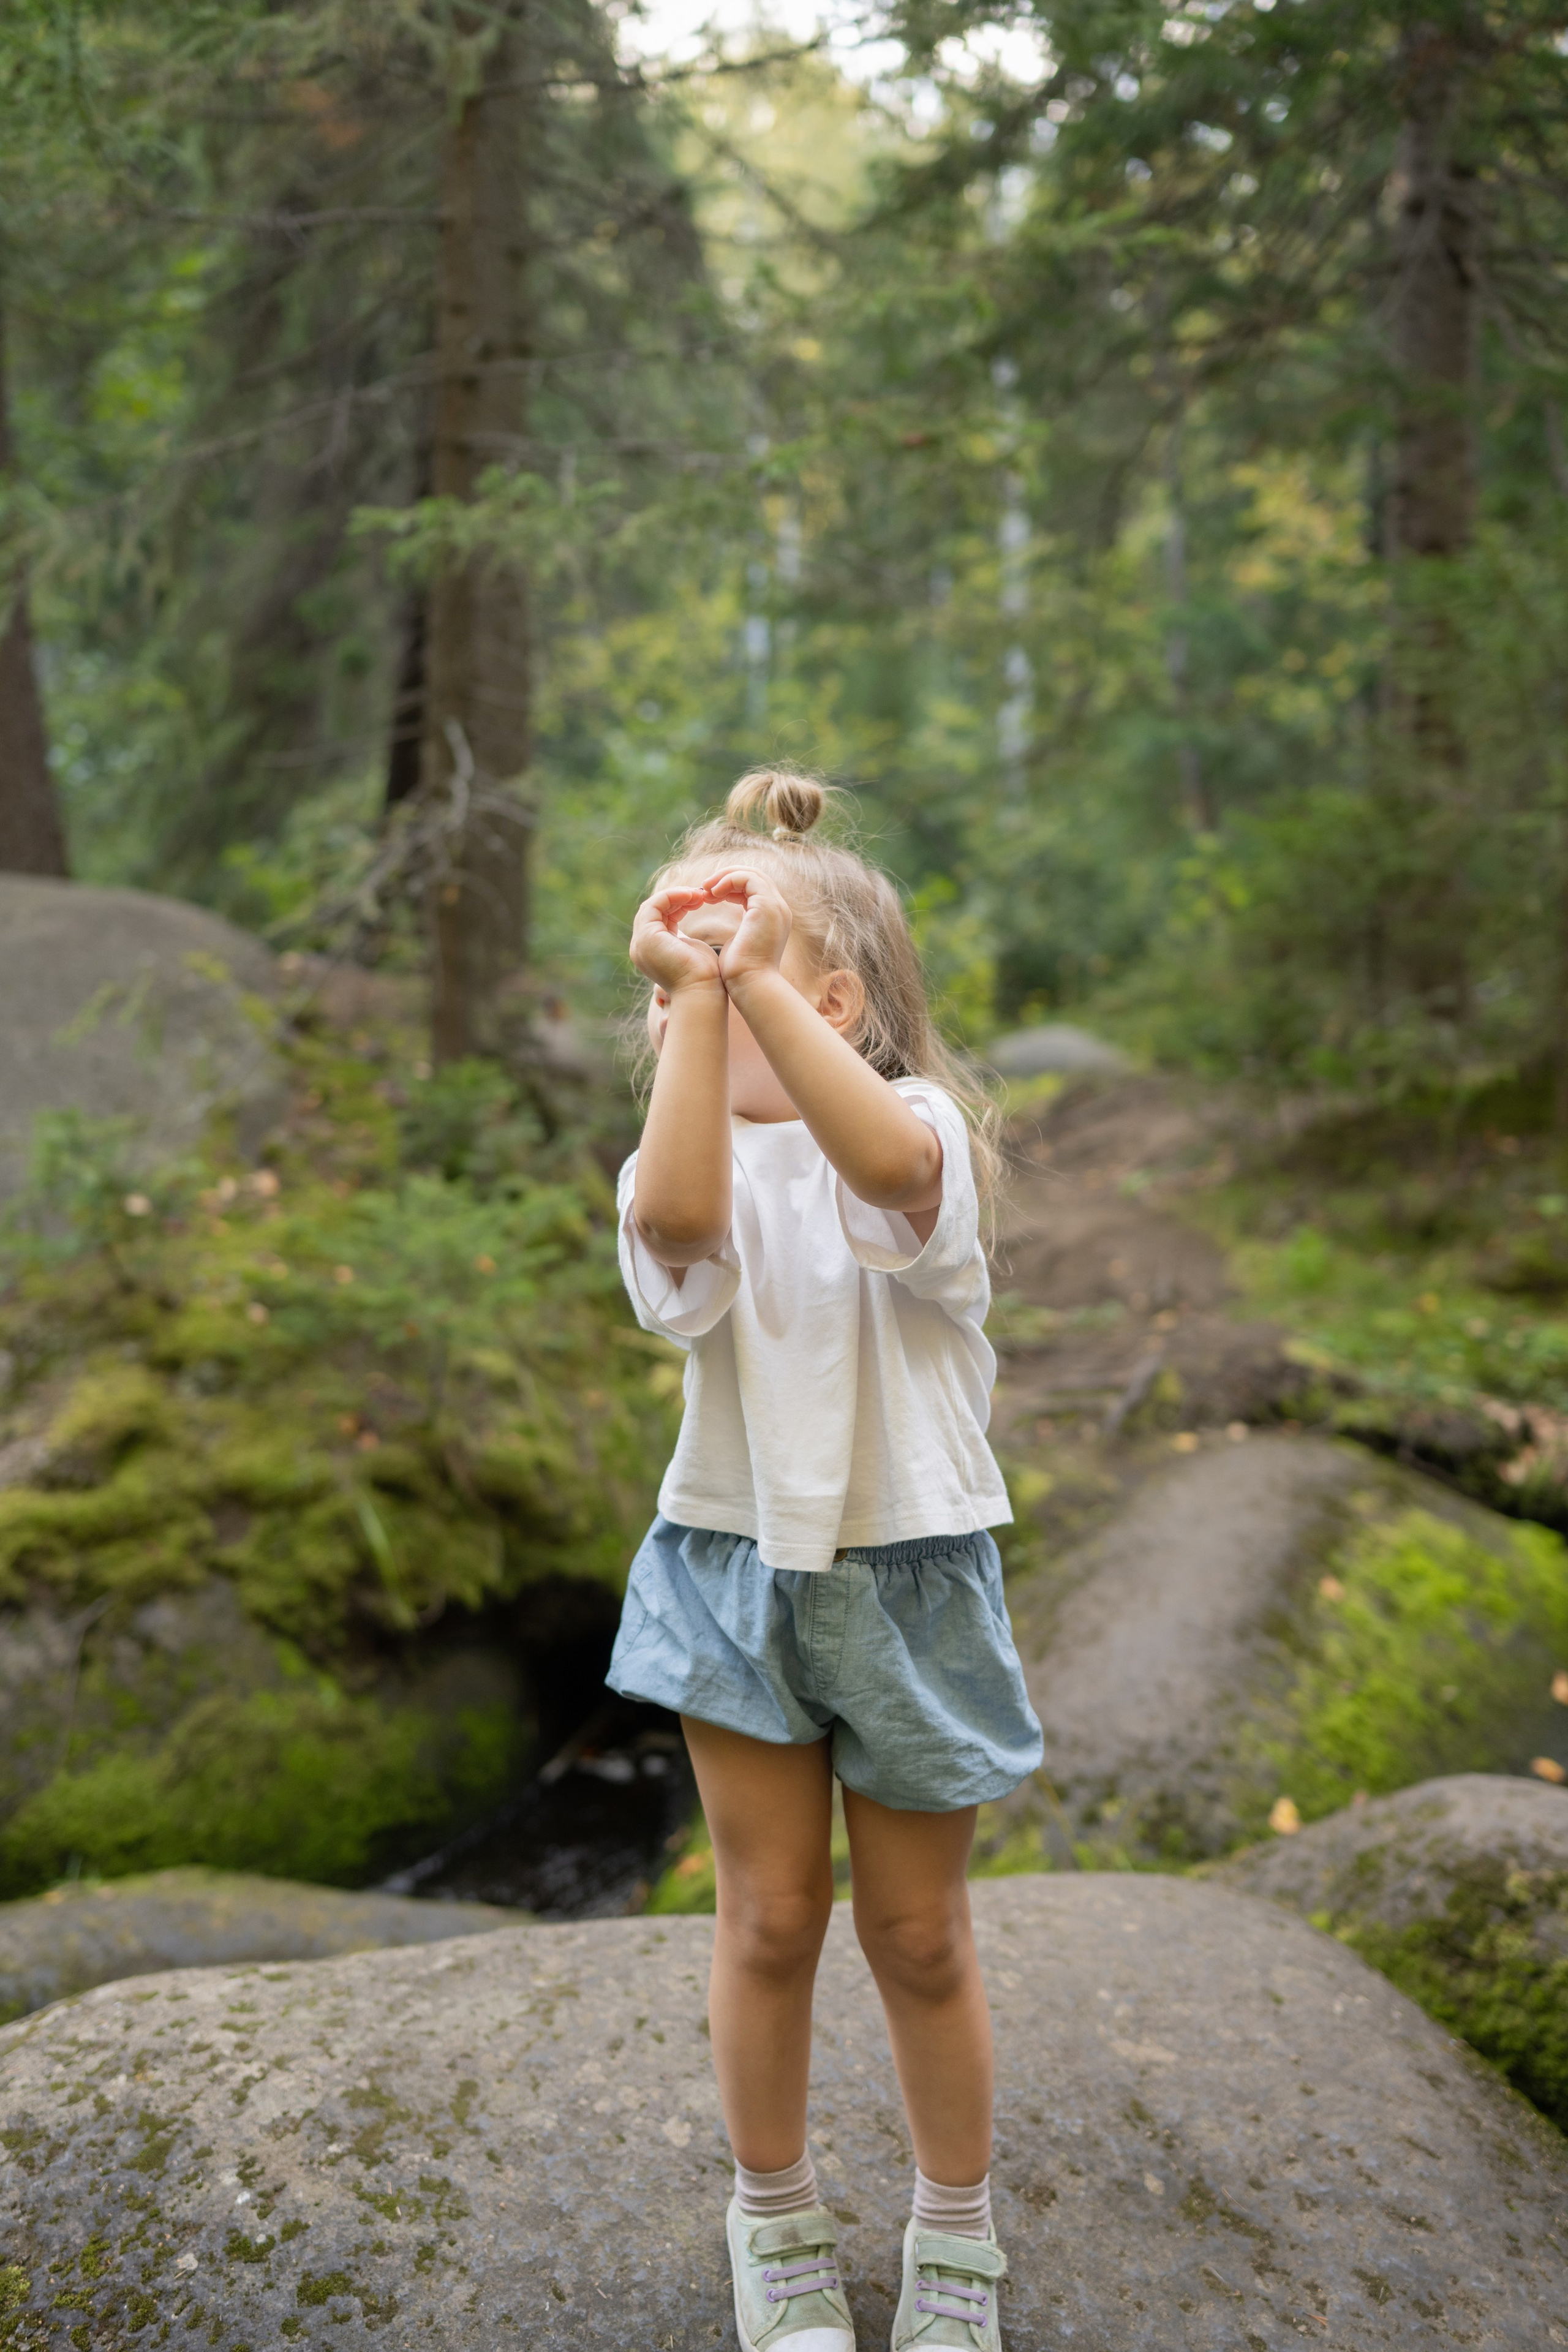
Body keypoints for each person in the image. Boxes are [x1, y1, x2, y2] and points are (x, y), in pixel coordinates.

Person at [606, 769, 1043, 2352]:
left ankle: (955, 2224)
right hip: (732, 1570)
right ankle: (774, 2217)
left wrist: (738, 985)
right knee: (770, 1918)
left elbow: (888, 1176)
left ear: (842, 1004)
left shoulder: (916, 1129)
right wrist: (716, 1006)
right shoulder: (677, 1165)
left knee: (919, 1935)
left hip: (911, 1572)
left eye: (741, 972)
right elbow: (677, 1226)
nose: (694, 1008)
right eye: (667, 990)